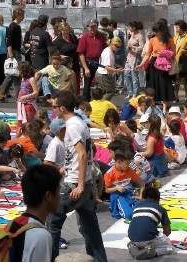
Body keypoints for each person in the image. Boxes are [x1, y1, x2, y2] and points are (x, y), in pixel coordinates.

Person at [48, 90, 108, 261]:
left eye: (54, 107)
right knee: (90, 227)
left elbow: (82, 154)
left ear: (62, 108)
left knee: (53, 221)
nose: (53, 110)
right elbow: (77, 154)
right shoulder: (80, 123)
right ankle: (99, 259)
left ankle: (50, 259)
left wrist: (80, 184)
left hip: (75, 183)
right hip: (85, 181)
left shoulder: (73, 126)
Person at [6, 164, 62, 262]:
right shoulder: (41, 236)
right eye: (58, 191)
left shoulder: (13, 223)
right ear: (48, 196)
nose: (60, 197)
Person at [127, 187, 173, 259]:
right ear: (158, 200)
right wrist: (161, 239)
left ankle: (134, 246)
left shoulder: (137, 207)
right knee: (169, 247)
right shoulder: (160, 208)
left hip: (132, 238)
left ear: (143, 198)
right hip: (148, 238)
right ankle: (151, 252)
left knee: (143, 237)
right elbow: (167, 231)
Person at [135, 23, 175, 102]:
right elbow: (148, 54)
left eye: (157, 31)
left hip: (164, 65)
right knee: (153, 84)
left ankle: (165, 105)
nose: (155, 33)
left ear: (162, 31)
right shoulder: (152, 40)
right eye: (154, 31)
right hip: (154, 63)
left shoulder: (169, 40)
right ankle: (152, 103)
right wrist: (141, 65)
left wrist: (165, 53)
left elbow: (174, 53)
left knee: (164, 84)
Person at [104, 150, 144, 220]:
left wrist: (141, 195)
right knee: (129, 215)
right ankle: (115, 206)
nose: (128, 165)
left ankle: (126, 206)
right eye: (127, 163)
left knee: (142, 211)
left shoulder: (129, 170)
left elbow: (142, 183)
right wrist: (116, 188)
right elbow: (107, 190)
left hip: (129, 193)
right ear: (119, 162)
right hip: (118, 195)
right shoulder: (109, 173)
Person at [77, 19, 108, 101]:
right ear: (88, 27)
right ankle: (85, 102)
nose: (93, 28)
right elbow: (81, 53)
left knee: (101, 83)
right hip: (89, 62)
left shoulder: (101, 36)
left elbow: (106, 49)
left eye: (94, 26)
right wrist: (85, 68)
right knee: (87, 84)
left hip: (100, 62)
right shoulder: (84, 38)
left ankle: (100, 101)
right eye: (91, 27)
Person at [1, 8, 24, 99]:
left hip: (16, 51)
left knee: (14, 74)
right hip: (14, 53)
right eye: (22, 15)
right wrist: (11, 56)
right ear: (17, 15)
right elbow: (9, 42)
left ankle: (3, 93)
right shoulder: (12, 26)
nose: (23, 17)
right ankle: (17, 95)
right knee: (14, 74)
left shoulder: (17, 26)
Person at [52, 22, 80, 96]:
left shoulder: (73, 38)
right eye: (64, 30)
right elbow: (54, 54)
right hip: (65, 66)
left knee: (76, 85)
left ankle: (76, 100)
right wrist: (62, 56)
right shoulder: (57, 41)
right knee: (67, 85)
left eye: (67, 30)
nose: (66, 32)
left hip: (75, 64)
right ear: (61, 31)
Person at [16, 61, 39, 136]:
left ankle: (28, 137)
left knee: (28, 122)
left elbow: (36, 92)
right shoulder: (23, 78)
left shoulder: (31, 79)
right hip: (21, 103)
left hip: (28, 104)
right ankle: (19, 137)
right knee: (20, 121)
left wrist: (25, 97)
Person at [29, 15, 52, 86]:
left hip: (33, 57)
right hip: (42, 59)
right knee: (40, 78)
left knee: (36, 76)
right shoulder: (45, 34)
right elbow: (49, 48)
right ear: (45, 23)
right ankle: (35, 94)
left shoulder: (32, 32)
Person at [173, 20, 187, 102]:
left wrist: (186, 52)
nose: (176, 29)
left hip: (185, 59)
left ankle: (186, 95)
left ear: (182, 28)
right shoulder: (176, 36)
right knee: (176, 79)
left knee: (185, 79)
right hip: (176, 60)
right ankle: (176, 95)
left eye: (177, 27)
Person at [125, 21, 145, 99]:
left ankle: (135, 93)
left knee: (134, 77)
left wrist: (133, 47)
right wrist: (128, 47)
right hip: (129, 56)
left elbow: (141, 48)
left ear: (134, 27)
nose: (129, 28)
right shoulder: (131, 35)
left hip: (135, 57)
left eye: (130, 27)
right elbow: (129, 44)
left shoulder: (140, 36)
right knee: (127, 74)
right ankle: (130, 92)